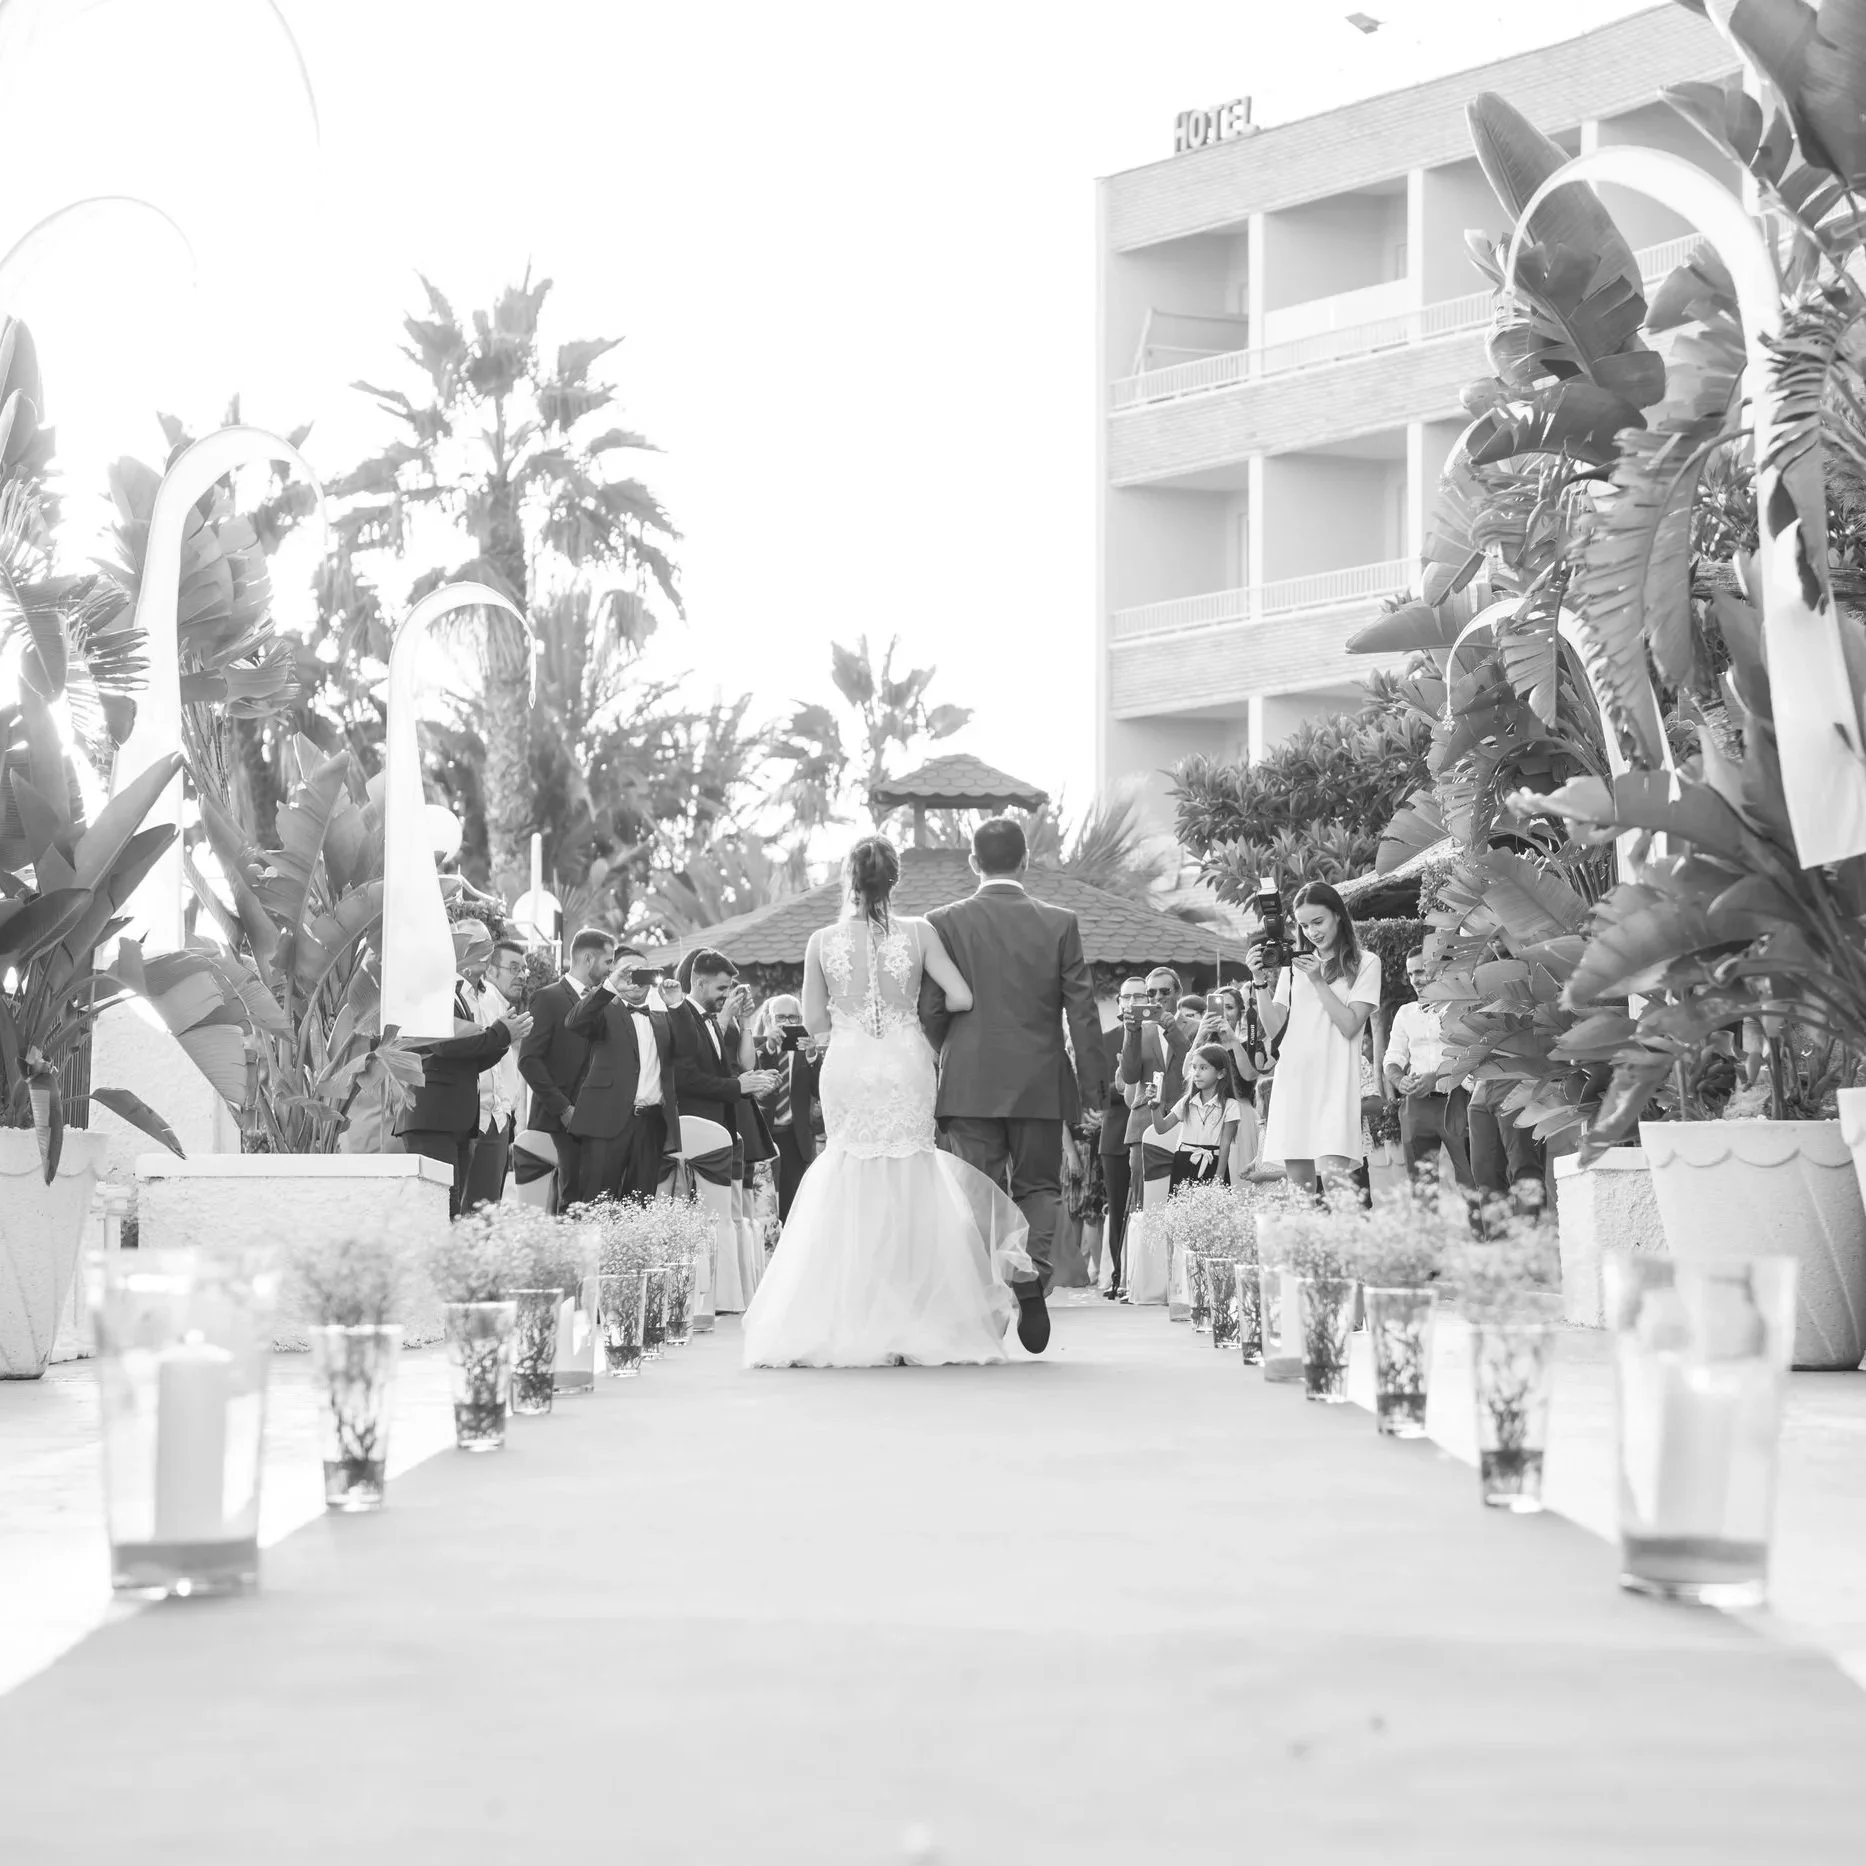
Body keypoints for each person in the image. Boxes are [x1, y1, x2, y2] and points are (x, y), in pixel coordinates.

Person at [741, 835, 1035, 1368]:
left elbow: (814, 1023)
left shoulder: (821, 940)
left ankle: (847, 1317)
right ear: (894, 879)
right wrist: (912, 1016)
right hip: (905, 1061)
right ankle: (916, 1315)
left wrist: (851, 1020)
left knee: (849, 1170)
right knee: (910, 1176)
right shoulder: (920, 933)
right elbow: (962, 997)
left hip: (850, 1062)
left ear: (848, 879)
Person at [918, 817, 1107, 1354]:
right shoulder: (1059, 922)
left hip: (969, 1081)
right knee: (1039, 1188)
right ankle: (1032, 1276)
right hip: (1039, 1080)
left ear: (973, 863)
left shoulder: (943, 921)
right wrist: (1094, 1089)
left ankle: (984, 1299)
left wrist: (949, 1054)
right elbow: (1083, 1011)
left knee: (978, 1190)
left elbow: (931, 1008)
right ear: (1026, 860)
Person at [1257, 881, 1381, 1199]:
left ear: (1338, 915)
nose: (1311, 932)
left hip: (1337, 1085)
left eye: (1318, 921)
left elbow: (1351, 1025)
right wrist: (1259, 983)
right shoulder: (1292, 969)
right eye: (1303, 925)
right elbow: (1275, 1029)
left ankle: (1354, 1249)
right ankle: (1310, 1251)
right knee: (1301, 1198)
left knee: (1338, 1188)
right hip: (1294, 1082)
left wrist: (1317, 979)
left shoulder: (1366, 963)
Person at [396, 940, 533, 1218]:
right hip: (432, 1118)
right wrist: (499, 1034)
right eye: (476, 943)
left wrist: (505, 1038)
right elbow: (445, 1045)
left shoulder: (458, 994)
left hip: (456, 1120)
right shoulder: (432, 992)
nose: (484, 951)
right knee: (438, 1211)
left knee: (454, 1212)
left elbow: (471, 1058)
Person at [564, 947, 681, 1202]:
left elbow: (690, 1051)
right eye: (628, 972)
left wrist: (678, 1005)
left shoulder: (663, 1017)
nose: (634, 979)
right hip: (606, 1122)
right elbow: (574, 1022)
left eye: (642, 974)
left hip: (651, 1125)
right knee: (597, 1203)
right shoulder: (604, 1008)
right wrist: (611, 987)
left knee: (639, 1207)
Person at [518, 926, 615, 1210]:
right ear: (588, 958)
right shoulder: (548, 998)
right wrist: (563, 1109)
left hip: (595, 1125)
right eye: (608, 961)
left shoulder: (607, 1003)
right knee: (558, 1207)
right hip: (555, 1125)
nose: (611, 969)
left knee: (588, 1206)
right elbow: (529, 1060)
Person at [1384, 948, 1473, 1195]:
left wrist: (1436, 1078)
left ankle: (1483, 1234)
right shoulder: (1405, 1013)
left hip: (1456, 1100)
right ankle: (1430, 1234)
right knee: (1421, 1187)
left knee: (1471, 1179)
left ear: (1439, 969)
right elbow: (1393, 1057)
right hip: (1416, 1105)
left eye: (1421, 971)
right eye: (1411, 973)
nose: (1416, 979)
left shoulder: (1461, 1008)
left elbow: (1471, 1057)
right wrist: (1398, 1079)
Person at [751, 994, 824, 1221]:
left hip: (795, 1136)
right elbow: (754, 1078)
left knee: (792, 1204)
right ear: (767, 1018)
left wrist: (812, 1055)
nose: (786, 1022)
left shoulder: (805, 1050)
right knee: (762, 1202)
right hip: (764, 1135)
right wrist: (770, 1046)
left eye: (792, 1017)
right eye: (780, 1017)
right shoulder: (755, 1046)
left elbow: (820, 1090)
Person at [1097, 977, 1146, 1299]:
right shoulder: (1106, 1040)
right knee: (1117, 1209)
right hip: (1115, 1132)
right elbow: (1099, 1091)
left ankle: (1144, 1275)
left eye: (1139, 996)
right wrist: (1122, 1085)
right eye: (1126, 997)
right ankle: (1118, 1276)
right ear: (1118, 1003)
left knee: (1146, 1207)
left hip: (1152, 1131)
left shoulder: (1155, 1032)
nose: (1132, 1002)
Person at [1152, 1043, 1245, 1190]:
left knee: (1211, 1211)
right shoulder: (1187, 1102)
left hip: (1212, 1163)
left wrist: (1219, 1176)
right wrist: (1154, 1107)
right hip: (1183, 1162)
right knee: (1182, 1210)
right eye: (1194, 1067)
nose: (1196, 1073)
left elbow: (1225, 1144)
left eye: (1203, 1068)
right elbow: (1161, 1128)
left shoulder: (1230, 1105)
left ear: (1221, 1073)